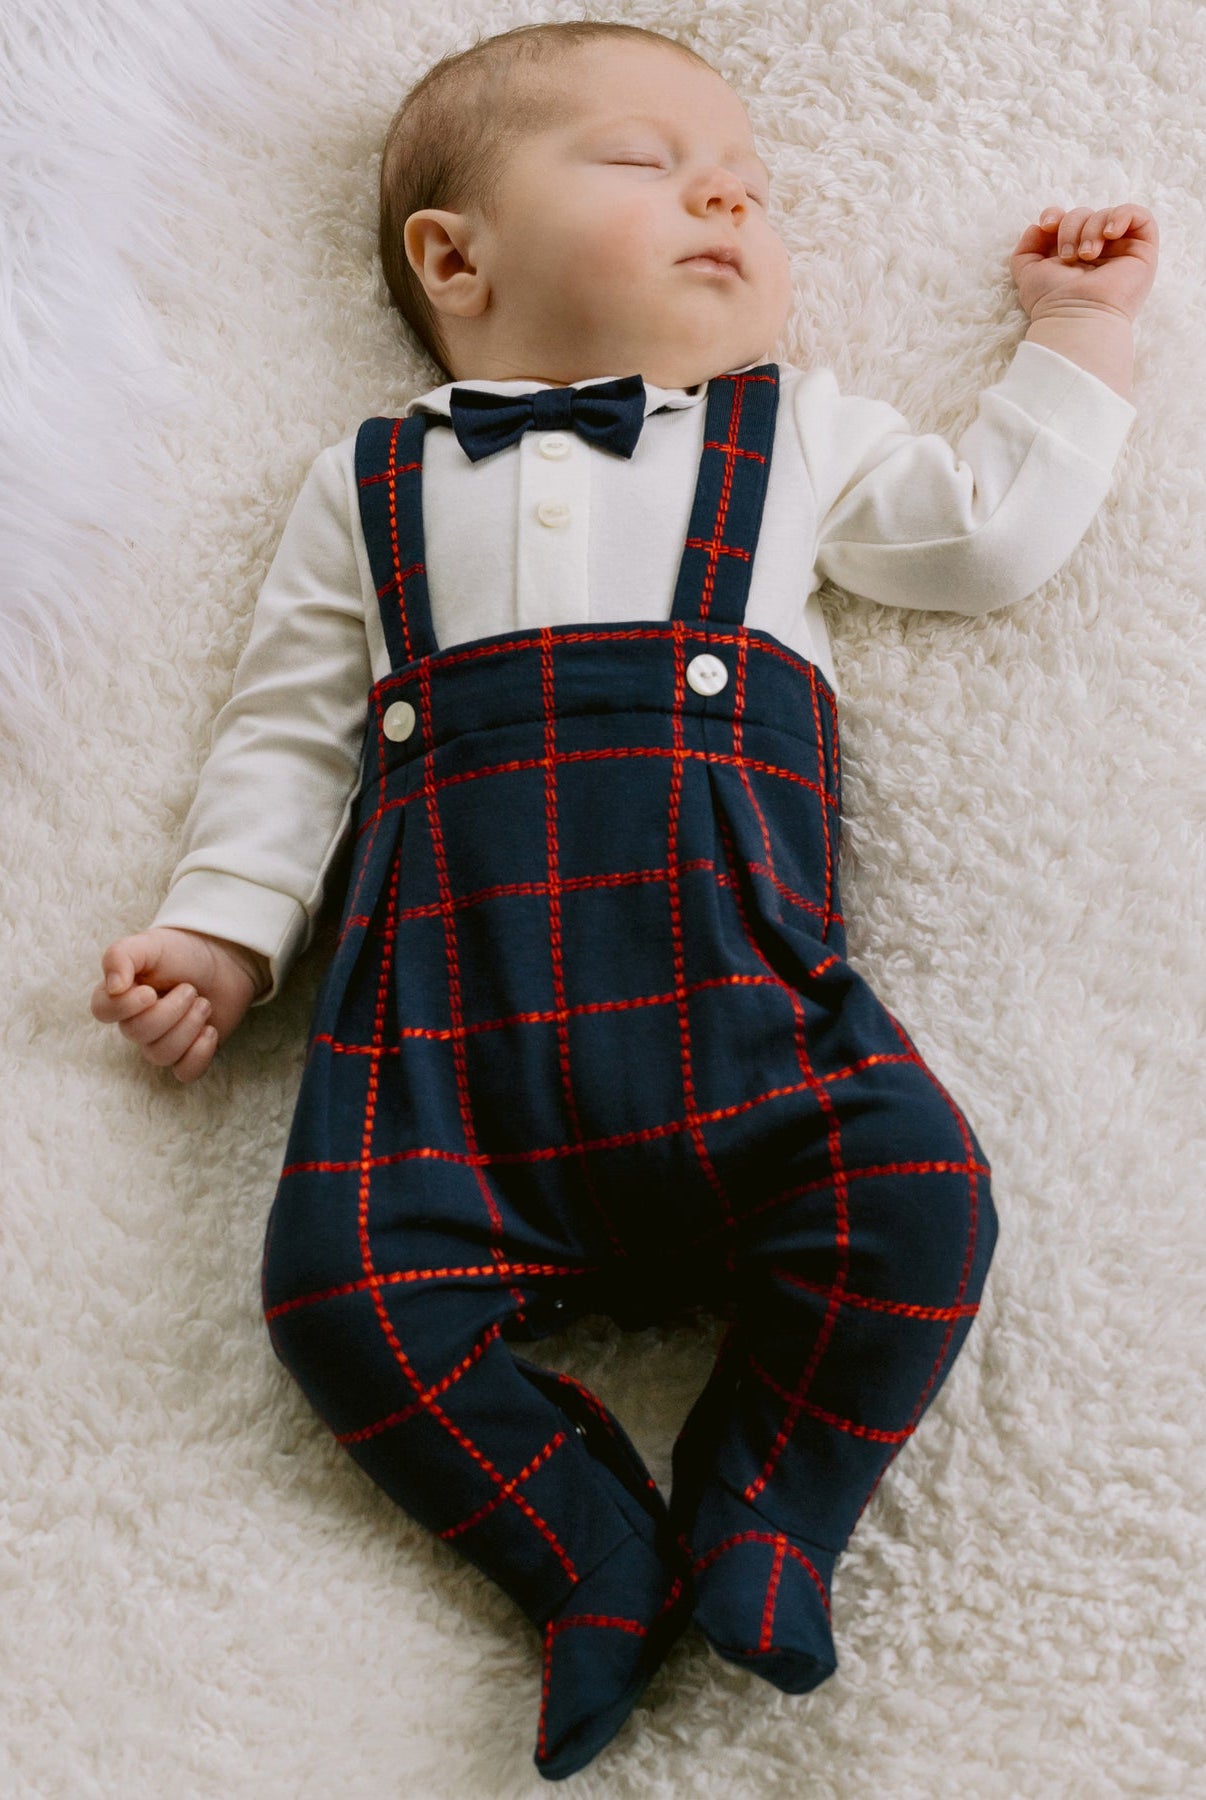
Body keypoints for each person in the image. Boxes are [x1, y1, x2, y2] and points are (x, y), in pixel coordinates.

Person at [89, 18, 1156, 1782]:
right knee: (329, 1291)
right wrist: (221, 930)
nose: (723, 188)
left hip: (745, 1021)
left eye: (742, 173)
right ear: (456, 256)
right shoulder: (369, 487)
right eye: (644, 162)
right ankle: (579, 1549)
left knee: (924, 1197)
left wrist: (1076, 339)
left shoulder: (789, 433)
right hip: (446, 1064)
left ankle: (764, 1503)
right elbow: (285, 737)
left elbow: (981, 537)